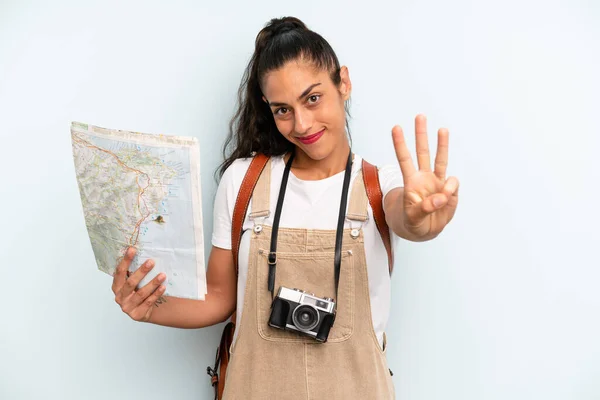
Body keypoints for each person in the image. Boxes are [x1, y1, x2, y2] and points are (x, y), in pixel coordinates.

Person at [111, 16, 459, 399]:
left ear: (343, 82)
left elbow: (409, 219)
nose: (302, 123)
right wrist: (148, 307)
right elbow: (219, 299)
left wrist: (421, 218)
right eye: (283, 110)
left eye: (313, 98)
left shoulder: (383, 185)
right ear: (267, 108)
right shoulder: (243, 181)